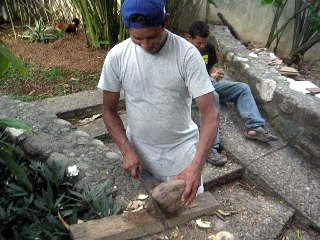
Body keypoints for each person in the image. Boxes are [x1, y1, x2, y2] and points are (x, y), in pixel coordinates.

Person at [98, 0, 219, 205]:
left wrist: (196, 167)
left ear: (165, 21)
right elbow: (108, 111)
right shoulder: (117, 57)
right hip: (139, 156)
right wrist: (127, 151)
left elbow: (211, 116)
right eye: (137, 38)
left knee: (187, 219)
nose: (145, 45)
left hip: (182, 157)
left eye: (152, 37)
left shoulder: (188, 55)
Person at [188, 21, 277, 159]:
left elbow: (210, 67)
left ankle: (254, 127)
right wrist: (209, 78)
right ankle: (210, 147)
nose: (202, 46)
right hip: (192, 91)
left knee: (242, 88)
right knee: (214, 97)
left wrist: (215, 73)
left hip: (209, 83)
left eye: (204, 43)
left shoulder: (208, 48)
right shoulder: (184, 52)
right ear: (190, 38)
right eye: (198, 43)